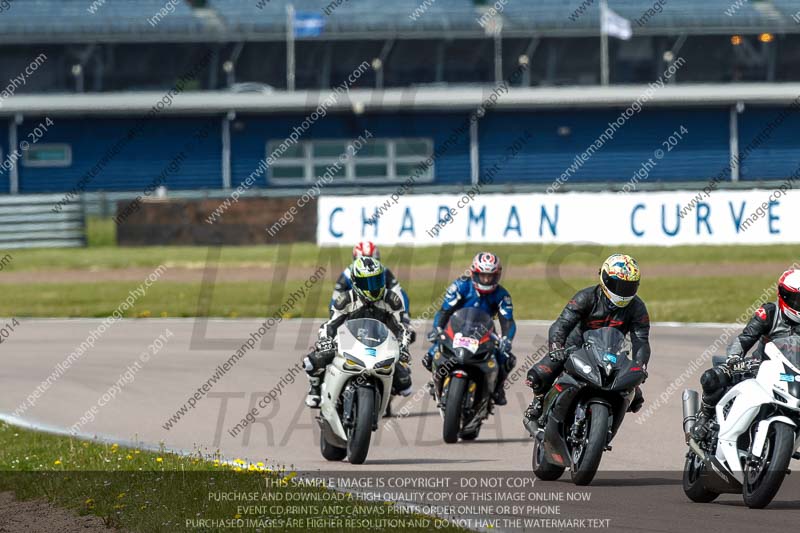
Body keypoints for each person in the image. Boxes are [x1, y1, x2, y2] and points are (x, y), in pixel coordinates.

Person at [524, 254, 650, 424]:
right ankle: (539, 400)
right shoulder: (586, 297)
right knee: (539, 374)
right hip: (575, 348)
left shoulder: (637, 308)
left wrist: (640, 365)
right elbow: (562, 324)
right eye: (618, 285)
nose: (622, 291)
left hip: (610, 354)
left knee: (635, 398)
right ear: (605, 279)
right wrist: (556, 347)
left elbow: (641, 340)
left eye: (629, 287)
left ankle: (605, 426)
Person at [691, 268, 800, 440]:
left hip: (793, 376)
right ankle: (704, 416)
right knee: (713, 377)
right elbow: (743, 340)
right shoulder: (769, 313)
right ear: (783, 296)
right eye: (797, 299)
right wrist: (734, 360)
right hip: (759, 367)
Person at [304, 256, 413, 408]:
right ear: (355, 282)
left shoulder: (391, 300)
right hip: (349, 340)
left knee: (406, 385)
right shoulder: (345, 300)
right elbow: (330, 325)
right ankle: (315, 389)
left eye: (376, 281)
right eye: (366, 283)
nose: (373, 287)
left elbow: (401, 328)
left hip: (380, 342)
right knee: (312, 361)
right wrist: (325, 341)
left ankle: (384, 398)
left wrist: (403, 346)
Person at [422, 252, 516, 406]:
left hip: (484, 333)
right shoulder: (460, 286)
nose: (486, 279)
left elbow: (508, 322)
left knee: (507, 359)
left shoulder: (502, 295)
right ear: (474, 273)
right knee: (430, 357)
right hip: (456, 329)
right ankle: (436, 380)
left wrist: (507, 339)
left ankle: (497, 388)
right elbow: (444, 311)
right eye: (482, 275)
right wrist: (437, 328)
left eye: (490, 276)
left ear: (497, 275)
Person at [330, 241, 413, 339]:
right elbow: (335, 298)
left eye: (372, 259)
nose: (368, 267)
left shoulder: (384, 271)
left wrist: (405, 317)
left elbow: (399, 292)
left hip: (379, 311)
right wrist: (334, 316)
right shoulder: (347, 274)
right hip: (354, 314)